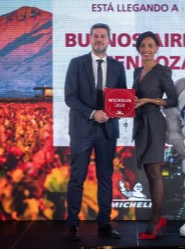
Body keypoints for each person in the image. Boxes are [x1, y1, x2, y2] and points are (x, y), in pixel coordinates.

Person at [64, 23, 127, 240]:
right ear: (89, 39)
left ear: (110, 40)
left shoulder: (118, 67)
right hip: (82, 130)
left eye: (103, 36)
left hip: (107, 130)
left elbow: (121, 99)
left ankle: (104, 225)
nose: (99, 39)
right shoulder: (76, 64)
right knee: (76, 178)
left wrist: (117, 111)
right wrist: (92, 113)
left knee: (106, 179)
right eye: (95, 36)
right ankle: (72, 225)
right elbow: (70, 97)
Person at [132, 31, 178, 239]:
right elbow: (133, 98)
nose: (146, 49)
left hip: (155, 122)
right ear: (138, 48)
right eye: (143, 45)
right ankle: (157, 217)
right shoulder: (136, 71)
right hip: (141, 123)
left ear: (157, 48)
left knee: (154, 172)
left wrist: (150, 101)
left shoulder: (162, 71)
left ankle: (155, 220)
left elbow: (173, 100)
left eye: (150, 45)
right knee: (149, 173)